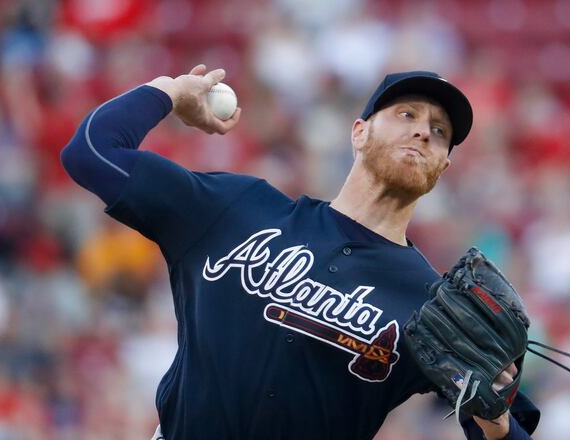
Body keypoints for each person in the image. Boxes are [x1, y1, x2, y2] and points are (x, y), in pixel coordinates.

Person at [60, 64, 540, 440]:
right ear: (359, 132)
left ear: (444, 164)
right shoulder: (236, 210)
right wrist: (169, 90)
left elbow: (504, 426)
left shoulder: (433, 305)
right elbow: (91, 152)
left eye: (440, 131)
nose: (423, 132)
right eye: (407, 115)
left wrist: (496, 422)